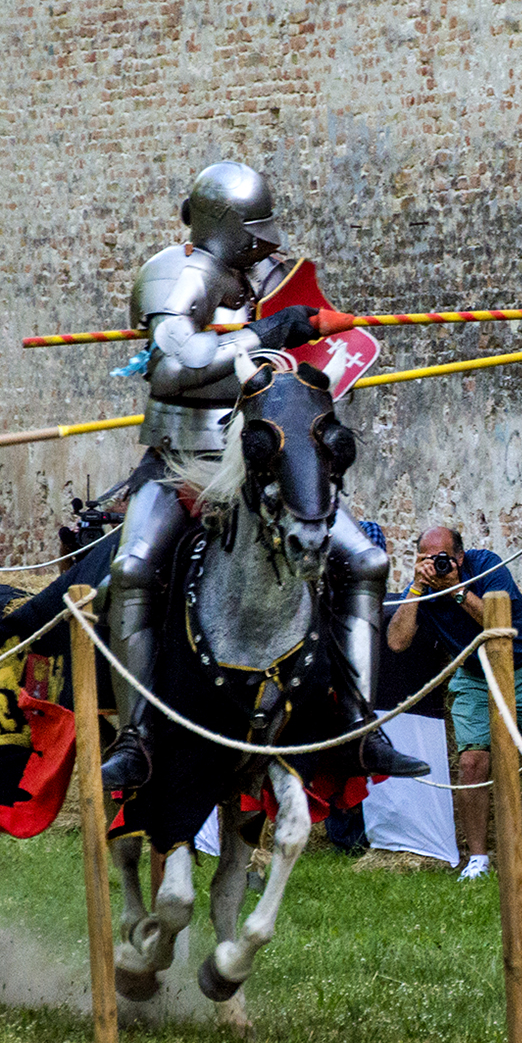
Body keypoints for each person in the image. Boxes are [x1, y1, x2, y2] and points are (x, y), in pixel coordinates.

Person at [100, 161, 425, 789]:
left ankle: (360, 725)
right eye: (254, 230)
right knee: (134, 567)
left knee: (364, 563)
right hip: (183, 461)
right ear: (226, 224)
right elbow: (172, 369)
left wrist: (299, 332)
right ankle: (136, 738)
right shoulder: (177, 273)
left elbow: (296, 340)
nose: (266, 244)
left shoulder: (260, 277)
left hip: (262, 455)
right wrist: (267, 330)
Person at [385, 526, 522, 879]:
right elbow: (397, 642)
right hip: (475, 670)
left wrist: (456, 590)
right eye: (427, 559)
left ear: (460, 557)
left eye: (442, 559)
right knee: (472, 762)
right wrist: (416, 589)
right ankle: (478, 860)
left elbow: (498, 621)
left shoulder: (486, 565)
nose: (436, 565)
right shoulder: (423, 590)